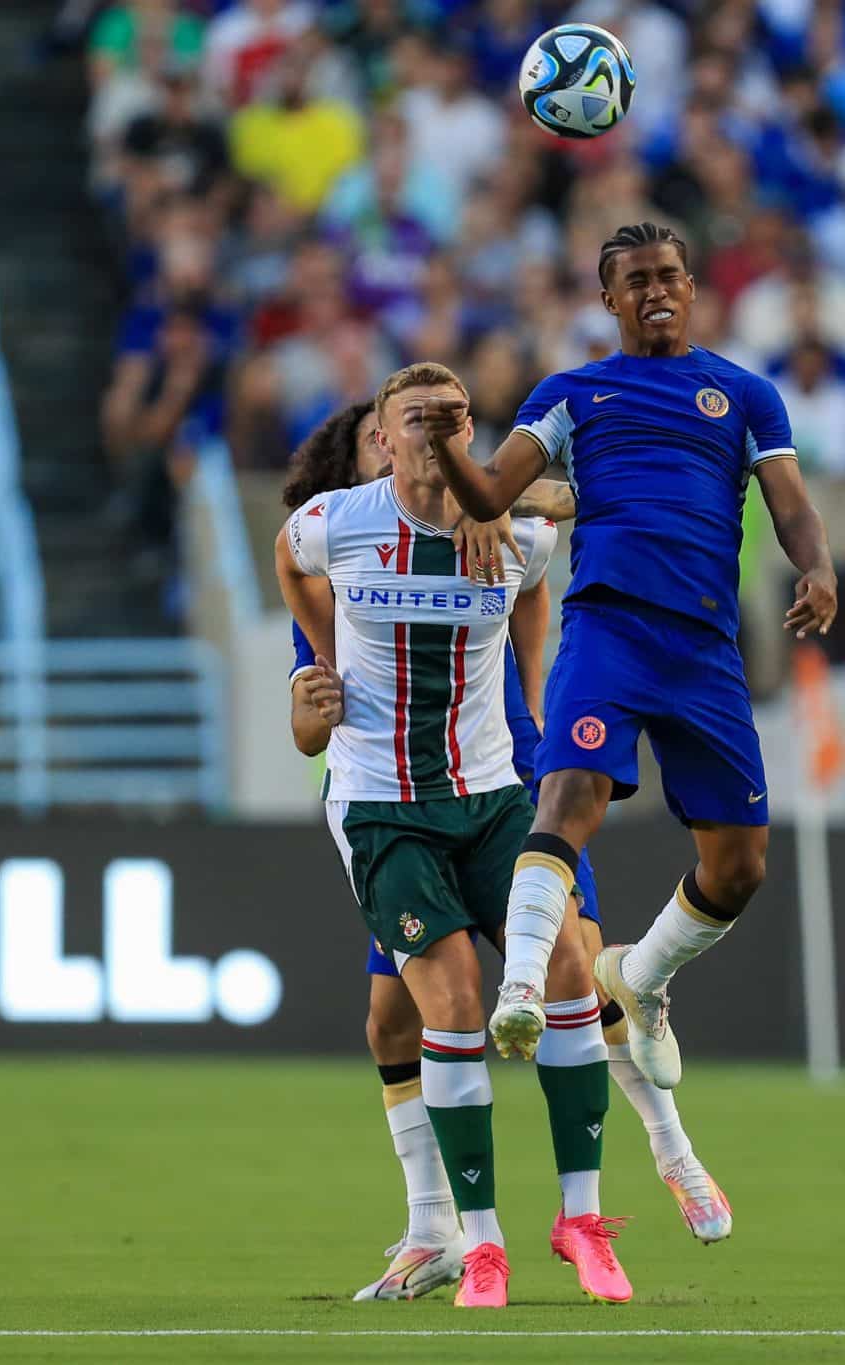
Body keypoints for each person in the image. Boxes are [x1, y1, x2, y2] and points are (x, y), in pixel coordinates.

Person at [278, 402, 734, 1302]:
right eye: (387, 441)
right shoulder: (346, 557)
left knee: (577, 976)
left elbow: (557, 524)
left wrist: (513, 509)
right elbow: (306, 706)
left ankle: (671, 1147)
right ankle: (437, 1228)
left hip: (508, 781)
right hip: (394, 800)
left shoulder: (491, 530)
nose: (403, 456)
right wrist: (309, 710)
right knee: (394, 1018)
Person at [416, 222, 838, 1093]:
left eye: (671, 275)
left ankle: (639, 978)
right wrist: (454, 448)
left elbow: (789, 502)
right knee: (570, 797)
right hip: (609, 627)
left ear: (693, 288)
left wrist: (819, 566)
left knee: (740, 866)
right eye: (637, 279)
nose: (657, 290)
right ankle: (524, 985)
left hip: (705, 646)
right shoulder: (574, 391)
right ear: (607, 300)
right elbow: (494, 490)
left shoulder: (744, 394)